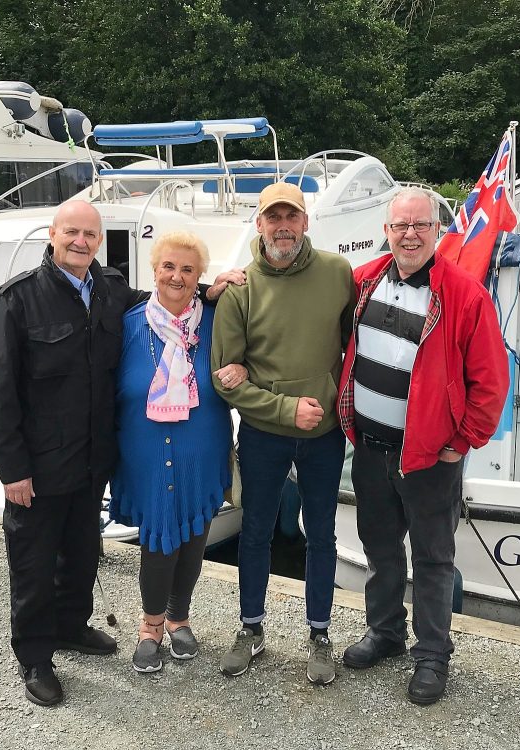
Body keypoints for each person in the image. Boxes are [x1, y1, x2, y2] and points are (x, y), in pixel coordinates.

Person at [0, 200, 242, 706]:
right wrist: (13, 468)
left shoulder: (110, 290)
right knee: (33, 559)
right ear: (53, 235)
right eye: (71, 233)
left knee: (81, 551)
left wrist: (208, 289)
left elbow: (165, 296)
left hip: (91, 456)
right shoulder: (18, 299)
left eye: (90, 235)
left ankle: (72, 626)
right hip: (40, 458)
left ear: (99, 242)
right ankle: (35, 657)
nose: (81, 242)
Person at [336, 187, 509, 705]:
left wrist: (464, 442)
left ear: (437, 231)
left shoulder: (463, 294)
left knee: (433, 558)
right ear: (386, 231)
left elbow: (490, 382)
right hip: (370, 447)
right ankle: (386, 632)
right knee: (380, 549)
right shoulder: (362, 282)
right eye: (400, 225)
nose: (409, 234)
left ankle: (433, 654)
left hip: (431, 457)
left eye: (420, 225)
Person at [211, 181, 354, 685]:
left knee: (321, 535)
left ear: (306, 222)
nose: (283, 226)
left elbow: (355, 345)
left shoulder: (338, 273)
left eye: (291, 217)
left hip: (325, 431)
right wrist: (286, 409)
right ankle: (252, 628)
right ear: (260, 225)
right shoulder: (239, 288)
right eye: (273, 218)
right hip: (264, 432)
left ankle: (319, 632)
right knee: (255, 532)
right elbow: (224, 375)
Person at [108, 231, 247, 674]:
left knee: (193, 536)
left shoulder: (216, 321)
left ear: (199, 276)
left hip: (201, 448)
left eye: (188, 269)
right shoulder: (127, 324)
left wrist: (241, 367)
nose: (177, 276)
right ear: (154, 270)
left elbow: (248, 356)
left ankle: (179, 617)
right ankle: (150, 626)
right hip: (144, 451)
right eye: (169, 266)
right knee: (157, 538)